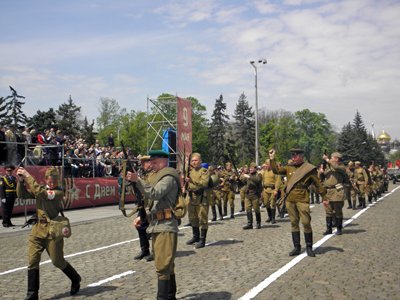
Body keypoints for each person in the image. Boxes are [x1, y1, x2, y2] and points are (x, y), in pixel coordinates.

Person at [16, 166, 81, 299]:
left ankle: (75, 278)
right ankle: (32, 294)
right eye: (50, 181)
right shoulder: (41, 188)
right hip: (38, 229)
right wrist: (21, 181)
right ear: (45, 180)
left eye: (54, 181)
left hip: (52, 231)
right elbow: (22, 195)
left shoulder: (59, 192)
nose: (52, 184)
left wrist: (28, 175)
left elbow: (41, 194)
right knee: (32, 260)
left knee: (57, 261)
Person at [127, 150, 180, 300]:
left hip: (166, 224)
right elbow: (148, 198)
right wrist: (141, 216)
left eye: (155, 161)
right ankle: (170, 297)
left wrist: (138, 180)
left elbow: (155, 193)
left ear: (164, 161)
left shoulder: (168, 177)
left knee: (163, 266)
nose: (152, 164)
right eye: (152, 161)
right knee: (166, 264)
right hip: (157, 223)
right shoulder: (157, 176)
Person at [270, 148, 326, 257]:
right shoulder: (289, 167)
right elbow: (276, 170)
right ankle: (297, 247)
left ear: (301, 156)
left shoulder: (309, 168)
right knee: (294, 223)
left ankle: (309, 247)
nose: (293, 157)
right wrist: (272, 158)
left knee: (306, 222)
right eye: (292, 155)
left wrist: (324, 197)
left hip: (302, 198)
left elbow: (318, 184)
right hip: (290, 199)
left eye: (295, 156)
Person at [184, 153, 210, 248]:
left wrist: (191, 181)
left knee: (202, 219)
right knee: (193, 218)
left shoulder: (204, 171)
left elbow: (204, 183)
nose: (194, 162)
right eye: (192, 161)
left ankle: (202, 240)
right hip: (191, 198)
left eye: (195, 160)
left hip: (201, 198)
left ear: (200, 161)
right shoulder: (190, 172)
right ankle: (196, 237)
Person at [133, 155, 155, 261]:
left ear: (150, 163)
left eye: (144, 163)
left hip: (152, 206)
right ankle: (144, 250)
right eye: (141, 163)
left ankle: (156, 252)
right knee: (140, 227)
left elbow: (149, 189)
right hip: (143, 205)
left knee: (154, 229)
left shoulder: (154, 175)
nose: (142, 165)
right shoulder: (144, 175)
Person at [322, 152, 347, 235]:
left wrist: (327, 160)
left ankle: (339, 228)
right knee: (328, 211)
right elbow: (322, 176)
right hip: (328, 191)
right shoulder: (329, 167)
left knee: (338, 211)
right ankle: (328, 229)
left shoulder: (341, 166)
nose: (331, 159)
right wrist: (321, 171)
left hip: (337, 191)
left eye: (332, 158)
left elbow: (335, 167)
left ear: (336, 159)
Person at [242, 162, 263, 229]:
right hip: (248, 194)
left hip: (255, 194)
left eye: (252, 168)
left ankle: (258, 223)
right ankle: (249, 223)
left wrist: (249, 177)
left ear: (255, 168)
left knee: (256, 209)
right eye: (250, 168)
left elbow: (258, 181)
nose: (250, 169)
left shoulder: (258, 175)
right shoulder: (248, 175)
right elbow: (243, 182)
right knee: (248, 209)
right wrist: (240, 177)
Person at [261, 159, 281, 224]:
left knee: (272, 204)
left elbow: (278, 181)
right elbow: (262, 180)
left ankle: (273, 218)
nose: (266, 165)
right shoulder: (264, 172)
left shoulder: (275, 171)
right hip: (265, 190)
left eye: (267, 164)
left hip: (273, 190)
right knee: (266, 203)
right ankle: (269, 217)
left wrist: (276, 190)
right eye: (266, 164)